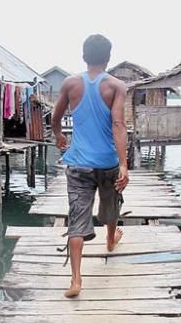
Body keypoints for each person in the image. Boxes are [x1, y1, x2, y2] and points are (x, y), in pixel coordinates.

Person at [51, 34, 129, 298]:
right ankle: (110, 239)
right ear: (109, 58)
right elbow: (118, 124)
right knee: (110, 203)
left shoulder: (70, 83)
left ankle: (76, 281)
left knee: (77, 217)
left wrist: (59, 135)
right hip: (107, 162)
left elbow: (56, 116)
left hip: (79, 165)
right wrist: (124, 165)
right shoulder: (117, 86)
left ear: (84, 57)